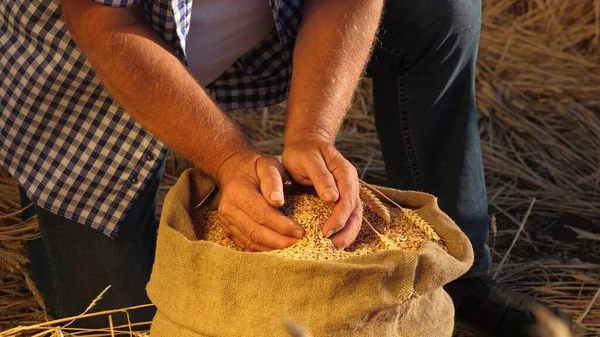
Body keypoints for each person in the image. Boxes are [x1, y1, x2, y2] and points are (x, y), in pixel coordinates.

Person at [0, 0, 566, 335]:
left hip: (272, 18)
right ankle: (45, 221)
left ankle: (462, 278)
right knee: (115, 317)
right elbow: (102, 20)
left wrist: (312, 133)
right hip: (101, 62)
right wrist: (227, 157)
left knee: (438, 8)